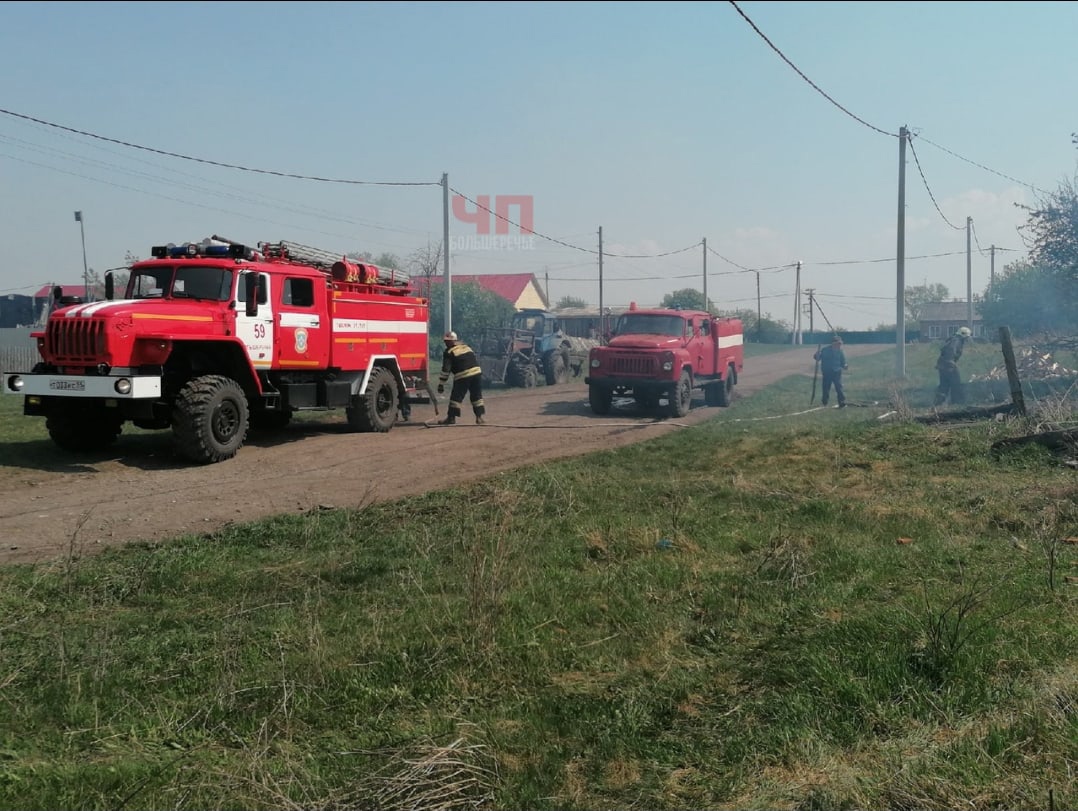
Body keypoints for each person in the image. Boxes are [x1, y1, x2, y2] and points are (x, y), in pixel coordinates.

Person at [437, 331, 486, 425]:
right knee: (477, 396)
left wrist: (441, 384)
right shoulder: (466, 347)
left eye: (447, 341)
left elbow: (446, 369)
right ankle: (479, 418)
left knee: (456, 398)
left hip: (463, 375)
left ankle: (451, 418)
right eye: (445, 341)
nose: (445, 343)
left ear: (453, 341)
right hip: (477, 373)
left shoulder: (449, 352)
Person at [934, 326, 972, 406]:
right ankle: (957, 403)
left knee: (944, 384)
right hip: (948, 364)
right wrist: (951, 363)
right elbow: (950, 351)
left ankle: (938, 403)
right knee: (956, 383)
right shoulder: (956, 341)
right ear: (964, 335)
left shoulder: (952, 339)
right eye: (967, 337)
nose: (967, 340)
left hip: (942, 365)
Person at [814, 335, 848, 408]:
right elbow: (818, 358)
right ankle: (824, 403)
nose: (839, 345)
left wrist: (845, 365)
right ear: (833, 343)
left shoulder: (840, 351)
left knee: (839, 387)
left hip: (837, 372)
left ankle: (842, 402)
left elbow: (843, 361)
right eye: (838, 343)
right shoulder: (825, 350)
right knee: (826, 388)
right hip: (827, 372)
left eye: (840, 344)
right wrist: (817, 355)